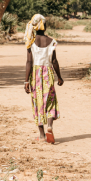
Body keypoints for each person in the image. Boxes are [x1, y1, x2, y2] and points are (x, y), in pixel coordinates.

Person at [24, 14, 64, 144]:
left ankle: (42, 135)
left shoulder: (31, 42)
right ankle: (50, 126)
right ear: (45, 26)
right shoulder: (51, 41)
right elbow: (54, 61)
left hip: (36, 76)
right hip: (48, 74)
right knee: (50, 100)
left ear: (34, 27)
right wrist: (60, 77)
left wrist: (26, 81)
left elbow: (29, 62)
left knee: (38, 103)